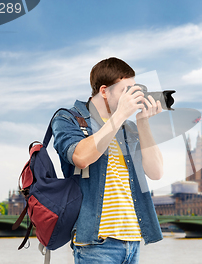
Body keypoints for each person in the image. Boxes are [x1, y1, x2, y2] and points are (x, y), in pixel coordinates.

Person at [52, 57, 164, 264]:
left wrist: (143, 122)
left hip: (133, 241)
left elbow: (156, 172)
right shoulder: (69, 119)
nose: (131, 97)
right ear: (104, 91)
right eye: (126, 90)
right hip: (97, 243)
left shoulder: (128, 129)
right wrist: (120, 114)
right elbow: (81, 157)